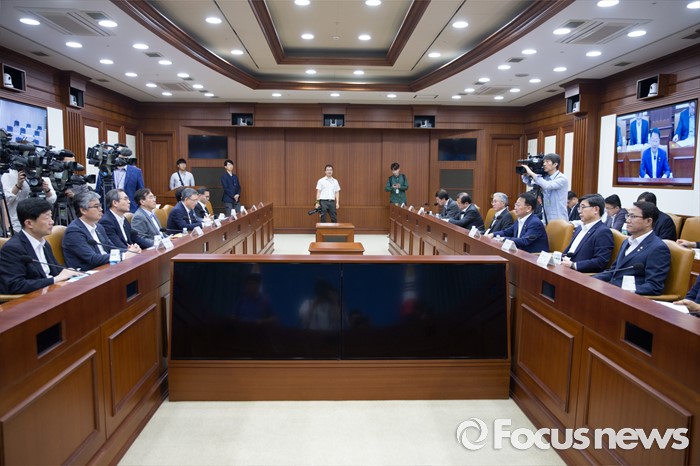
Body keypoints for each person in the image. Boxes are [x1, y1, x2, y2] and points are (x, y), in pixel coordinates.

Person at [0, 198, 81, 294]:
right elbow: (15, 285)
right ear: (29, 223)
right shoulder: (13, 248)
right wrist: (55, 279)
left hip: (51, 292)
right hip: (32, 299)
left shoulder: (43, 243)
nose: (52, 222)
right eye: (47, 218)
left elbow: (54, 270)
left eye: (51, 217)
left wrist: (69, 272)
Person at [593, 201, 670, 295]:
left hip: (628, 298)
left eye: (633, 216)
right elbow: (613, 271)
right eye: (628, 216)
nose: (628, 220)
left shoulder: (658, 248)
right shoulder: (626, 242)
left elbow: (654, 286)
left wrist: (623, 290)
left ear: (648, 221)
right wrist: (591, 280)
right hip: (612, 292)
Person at [63, 191, 140, 271]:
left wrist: (130, 251)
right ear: (83, 210)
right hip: (88, 274)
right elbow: (92, 258)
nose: (101, 209)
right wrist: (123, 256)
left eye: (100, 205)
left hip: (105, 268)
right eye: (96, 206)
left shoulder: (99, 227)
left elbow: (112, 248)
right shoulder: (74, 231)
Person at [561, 194, 613, 273]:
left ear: (596, 209)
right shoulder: (579, 228)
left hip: (579, 274)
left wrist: (574, 265)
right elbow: (569, 252)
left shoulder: (603, 232)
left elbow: (600, 261)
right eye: (579, 208)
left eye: (583, 207)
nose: (579, 211)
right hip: (565, 269)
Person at [1, 168, 57, 234]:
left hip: (40, 224)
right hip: (17, 224)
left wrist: (47, 190)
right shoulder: (9, 174)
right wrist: (18, 186)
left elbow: (52, 200)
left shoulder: (41, 172)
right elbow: (4, 201)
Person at [521, 153, 569, 223]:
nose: (544, 164)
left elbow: (547, 185)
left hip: (559, 217)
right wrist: (525, 175)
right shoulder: (545, 177)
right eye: (543, 162)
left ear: (555, 164)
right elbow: (531, 183)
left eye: (547, 162)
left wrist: (531, 173)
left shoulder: (562, 178)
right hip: (546, 217)